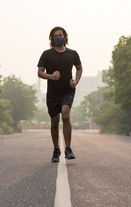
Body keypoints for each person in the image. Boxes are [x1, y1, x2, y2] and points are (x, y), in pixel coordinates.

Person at [37, 26, 83, 162]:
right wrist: (50, 76)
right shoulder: (46, 54)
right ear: (52, 38)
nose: (58, 37)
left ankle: (68, 149)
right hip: (53, 92)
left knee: (66, 115)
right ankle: (56, 149)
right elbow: (40, 72)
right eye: (55, 35)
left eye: (60, 35)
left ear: (65, 37)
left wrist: (76, 81)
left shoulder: (73, 54)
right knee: (54, 121)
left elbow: (79, 68)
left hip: (67, 90)